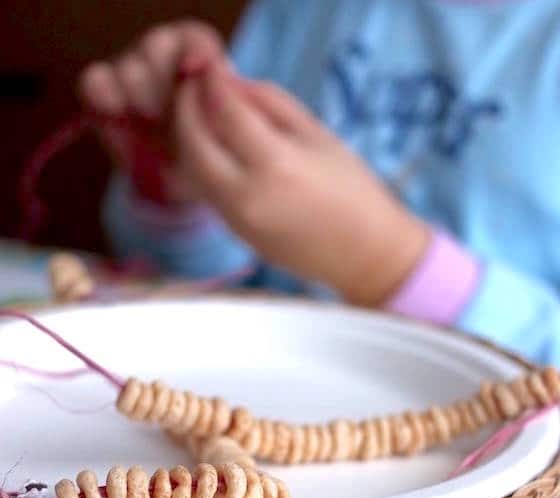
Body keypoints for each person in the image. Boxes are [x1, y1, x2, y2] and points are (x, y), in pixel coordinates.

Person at [79, 0, 560, 365]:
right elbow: (209, 284)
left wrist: (386, 262)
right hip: (265, 394)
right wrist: (182, 193)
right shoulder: (306, 11)